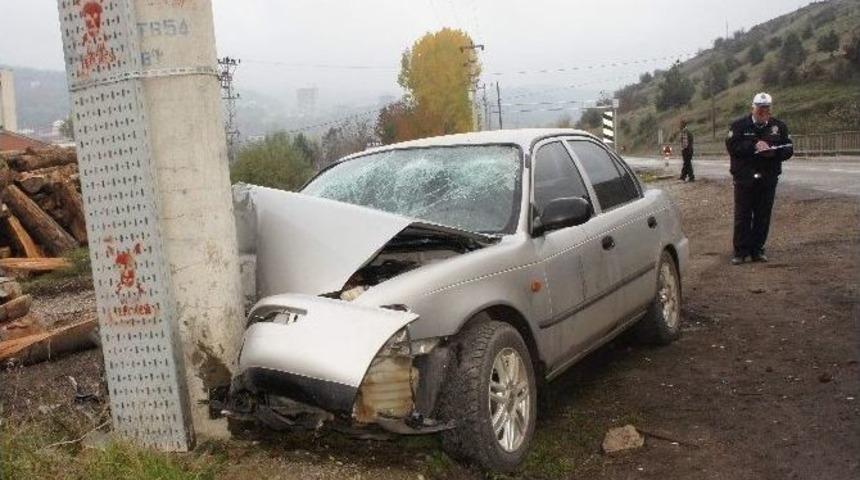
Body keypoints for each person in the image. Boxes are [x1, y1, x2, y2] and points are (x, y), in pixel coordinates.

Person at [725, 92, 793, 265]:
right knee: (743, 215)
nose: (763, 111)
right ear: (753, 108)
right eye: (760, 108)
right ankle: (740, 252)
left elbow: (788, 149)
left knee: (763, 215)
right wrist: (754, 145)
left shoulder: (779, 126)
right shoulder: (739, 125)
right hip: (744, 178)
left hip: (768, 178)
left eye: (766, 108)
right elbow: (733, 147)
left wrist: (773, 151)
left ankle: (757, 250)